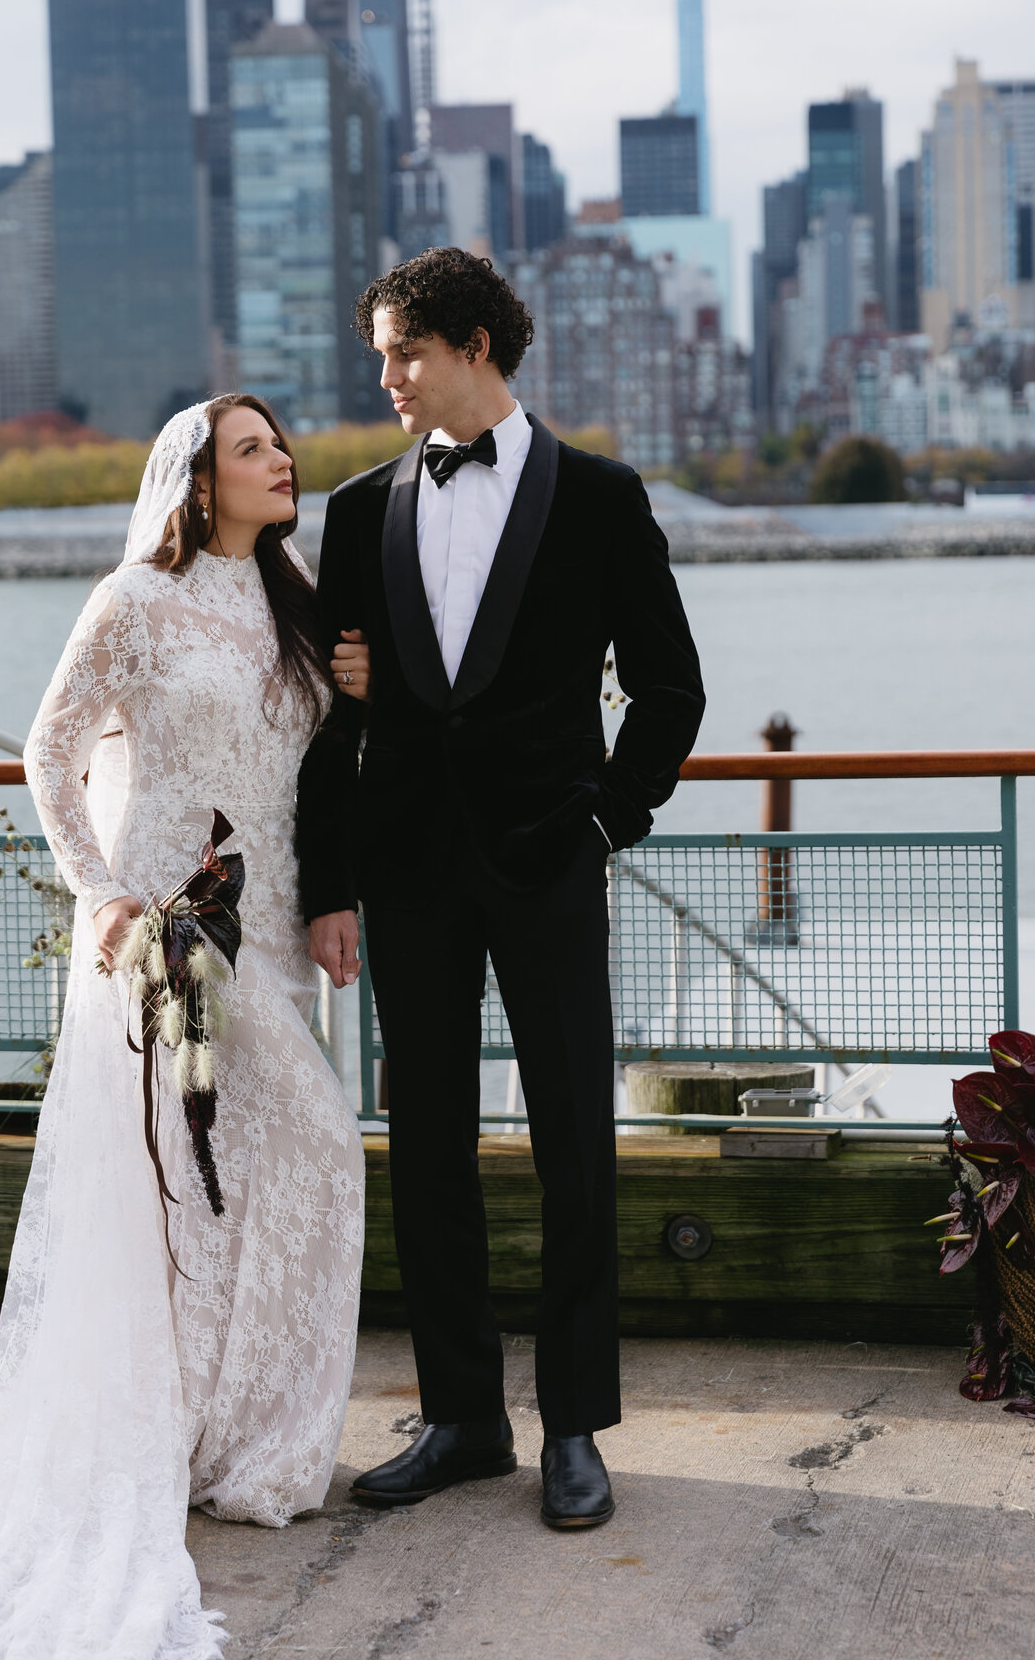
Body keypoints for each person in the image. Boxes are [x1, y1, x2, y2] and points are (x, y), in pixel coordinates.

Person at [0, 395, 370, 1658]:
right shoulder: (133, 598)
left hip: (276, 917)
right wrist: (105, 898)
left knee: (255, 1170)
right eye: (253, 449)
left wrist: (361, 688)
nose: (282, 461)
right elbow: (47, 751)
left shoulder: (295, 594)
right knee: (221, 1171)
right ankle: (173, 1433)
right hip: (170, 923)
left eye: (281, 444)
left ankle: (236, 1442)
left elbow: (322, 758)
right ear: (197, 481)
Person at [298, 250, 705, 1532]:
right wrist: (328, 882)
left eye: (403, 354)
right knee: (425, 1150)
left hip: (547, 866)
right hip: (407, 874)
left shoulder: (599, 497)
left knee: (575, 1142)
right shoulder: (360, 511)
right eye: (380, 356)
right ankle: (463, 1415)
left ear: (474, 344)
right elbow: (330, 720)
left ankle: (575, 1423)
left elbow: (671, 687)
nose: (387, 379)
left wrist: (602, 819)